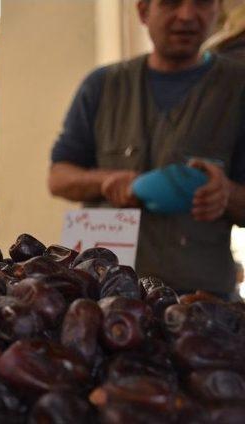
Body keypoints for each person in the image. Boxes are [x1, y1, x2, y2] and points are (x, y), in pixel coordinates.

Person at [48, 0, 245, 299]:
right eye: (170, 3)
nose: (187, 15)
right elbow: (59, 177)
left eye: (203, 3)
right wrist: (105, 181)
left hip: (203, 302)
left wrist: (226, 194)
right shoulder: (102, 85)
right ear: (143, 11)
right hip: (106, 298)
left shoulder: (237, 88)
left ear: (217, 9)